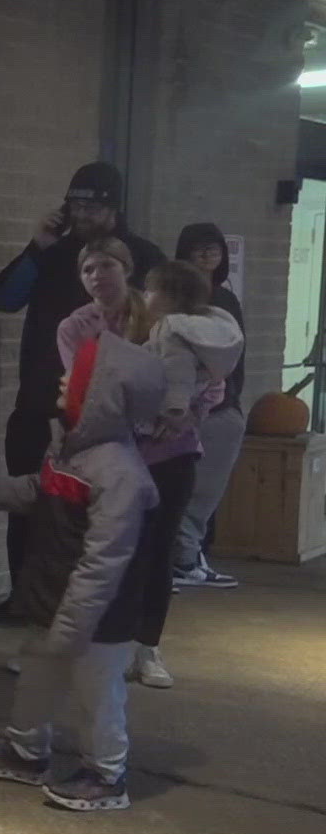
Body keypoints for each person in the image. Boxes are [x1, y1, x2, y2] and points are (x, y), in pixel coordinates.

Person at [0, 327, 166, 812]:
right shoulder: (74, 450)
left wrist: (74, 626)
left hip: (100, 617)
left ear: (101, 394)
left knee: (97, 693)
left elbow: (104, 561)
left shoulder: (120, 475)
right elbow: (41, 490)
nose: (62, 378)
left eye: (74, 375)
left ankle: (106, 774)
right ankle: (26, 751)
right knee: (37, 675)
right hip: (59, 597)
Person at [0, 162, 165, 618]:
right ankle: (25, 603)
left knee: (98, 515)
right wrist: (38, 246)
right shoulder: (55, 252)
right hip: (41, 400)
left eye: (90, 205)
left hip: (109, 417)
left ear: (112, 206)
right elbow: (4, 298)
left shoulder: (144, 257)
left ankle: (96, 613)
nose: (80, 214)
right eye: (74, 205)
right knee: (28, 502)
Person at [56, 245, 240, 690]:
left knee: (157, 552)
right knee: (107, 551)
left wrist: (186, 414)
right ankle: (98, 644)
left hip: (171, 453)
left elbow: (211, 382)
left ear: (129, 270)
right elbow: (85, 390)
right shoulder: (76, 326)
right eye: (87, 268)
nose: (97, 276)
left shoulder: (164, 316)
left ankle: (146, 647)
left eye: (107, 266)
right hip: (115, 454)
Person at [170, 224, 246, 589]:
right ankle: (179, 559)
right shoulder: (175, 301)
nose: (205, 257)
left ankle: (187, 556)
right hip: (184, 409)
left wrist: (231, 397)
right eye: (197, 251)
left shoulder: (226, 299)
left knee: (205, 490)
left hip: (219, 406)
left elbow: (236, 356)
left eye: (212, 250)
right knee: (185, 489)